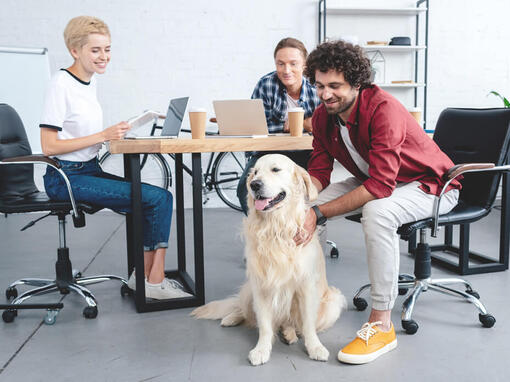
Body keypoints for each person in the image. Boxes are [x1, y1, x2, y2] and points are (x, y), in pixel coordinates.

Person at [298, 40, 461, 364]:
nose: (326, 94)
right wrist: (306, 205)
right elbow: (318, 171)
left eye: (335, 86)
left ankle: (381, 323)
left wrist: (319, 212)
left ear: (357, 83)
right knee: (298, 208)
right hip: (377, 178)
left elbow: (379, 187)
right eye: (319, 85)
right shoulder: (322, 116)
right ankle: (307, 302)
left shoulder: (383, 109)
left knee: (377, 212)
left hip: (430, 185)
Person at [40, 16, 190, 300]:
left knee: (157, 198)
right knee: (158, 199)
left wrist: (117, 131)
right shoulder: (61, 83)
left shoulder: (88, 82)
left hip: (88, 169)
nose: (104, 56)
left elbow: (80, 134)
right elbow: (49, 146)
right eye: (95, 50)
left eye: (107, 49)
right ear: (75, 50)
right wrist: (102, 135)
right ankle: (153, 281)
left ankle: (144, 278)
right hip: (66, 178)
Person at [236, 37, 320, 214]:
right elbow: (256, 127)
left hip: (308, 153)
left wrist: (301, 123)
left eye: (293, 64)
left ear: (305, 64)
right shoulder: (266, 84)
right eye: (280, 64)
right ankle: (264, 232)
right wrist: (290, 125)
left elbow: (324, 126)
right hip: (268, 152)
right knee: (244, 191)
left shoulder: (316, 87)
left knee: (308, 190)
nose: (286, 70)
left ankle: (303, 232)